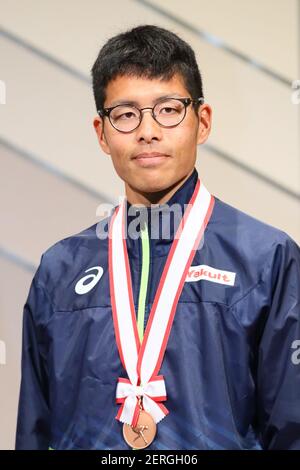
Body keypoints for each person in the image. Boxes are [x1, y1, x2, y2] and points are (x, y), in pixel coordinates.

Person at [15, 24, 300, 450]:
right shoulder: (59, 271)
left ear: (202, 122)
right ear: (101, 133)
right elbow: (34, 433)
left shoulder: (266, 260)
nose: (147, 131)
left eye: (168, 109)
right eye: (126, 114)